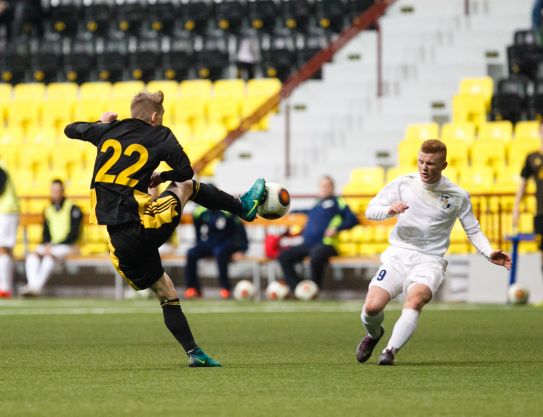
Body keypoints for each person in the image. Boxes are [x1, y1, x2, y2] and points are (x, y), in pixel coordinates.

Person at [64, 90, 267, 367]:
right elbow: (185, 172)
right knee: (186, 187)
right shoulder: (160, 134)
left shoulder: (108, 130)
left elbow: (70, 129)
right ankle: (243, 207)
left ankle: (195, 354)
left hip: (118, 243)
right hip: (143, 224)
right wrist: (162, 175)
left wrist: (101, 123)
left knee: (165, 291)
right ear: (155, 116)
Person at [356, 139, 512, 366]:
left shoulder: (457, 195)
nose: (424, 168)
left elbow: (473, 230)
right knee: (371, 308)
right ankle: (373, 335)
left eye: (430, 163)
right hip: (398, 255)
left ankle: (390, 350)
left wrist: (488, 252)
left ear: (443, 165)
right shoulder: (403, 183)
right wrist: (389, 210)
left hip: (429, 260)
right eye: (421, 161)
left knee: (416, 299)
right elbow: (371, 210)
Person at [278, 175, 359, 293]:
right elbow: (307, 212)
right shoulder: (317, 205)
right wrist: (290, 213)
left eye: (327, 186)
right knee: (284, 256)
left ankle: (314, 289)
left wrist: (337, 228)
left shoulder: (338, 202)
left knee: (316, 256)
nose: (325, 188)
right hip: (308, 244)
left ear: (332, 188)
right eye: (322, 186)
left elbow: (352, 219)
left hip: (326, 244)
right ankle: (298, 289)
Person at [20, 179, 83, 297]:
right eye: (53, 191)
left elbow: (73, 234)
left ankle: (35, 288)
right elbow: (46, 232)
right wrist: (47, 243)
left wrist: (53, 245)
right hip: (53, 246)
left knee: (49, 258)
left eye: (58, 191)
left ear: (63, 191)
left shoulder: (73, 208)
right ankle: (33, 287)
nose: (56, 193)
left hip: (68, 245)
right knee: (32, 256)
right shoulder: (48, 209)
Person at [184, 207, 249, 299]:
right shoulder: (202, 211)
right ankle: (193, 288)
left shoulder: (228, 211)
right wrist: (200, 245)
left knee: (220, 253)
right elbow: (198, 231)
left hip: (226, 244)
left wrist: (241, 250)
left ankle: (225, 289)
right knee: (191, 253)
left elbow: (241, 231)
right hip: (210, 243)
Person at [513, 123, 543, 269]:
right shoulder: (532, 157)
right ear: (539, 133)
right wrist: (516, 207)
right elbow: (523, 184)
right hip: (541, 212)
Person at [0, 164, 19, 298]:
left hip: (6, 211)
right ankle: (8, 286)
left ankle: (5, 287)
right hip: (7, 210)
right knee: (6, 249)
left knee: (3, 248)